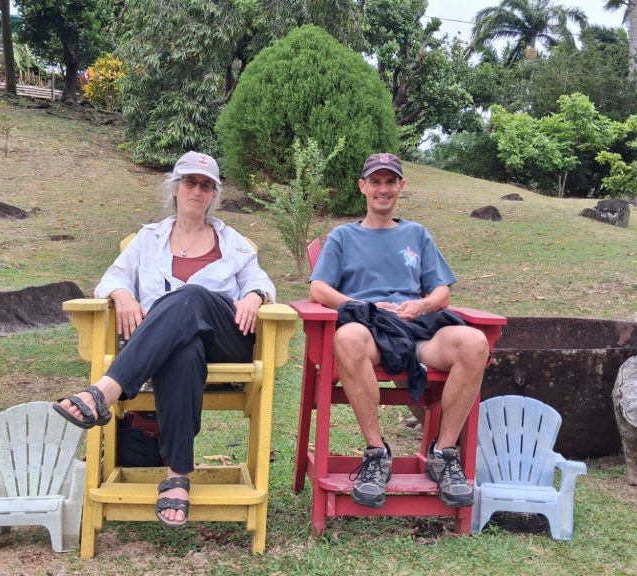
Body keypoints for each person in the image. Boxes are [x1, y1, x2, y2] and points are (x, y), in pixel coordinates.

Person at [52, 151, 275, 528]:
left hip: (226, 340)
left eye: (206, 185)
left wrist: (255, 296)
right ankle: (177, 476)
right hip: (169, 348)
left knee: (191, 295)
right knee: (183, 352)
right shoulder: (148, 238)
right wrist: (122, 295)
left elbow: (261, 280)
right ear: (175, 187)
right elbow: (113, 278)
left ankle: (104, 392)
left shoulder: (231, 240)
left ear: (214, 195)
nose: (197, 191)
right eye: (190, 182)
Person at [309, 152, 490, 509]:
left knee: (474, 342)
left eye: (390, 181)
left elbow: (442, 293)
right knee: (347, 336)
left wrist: (420, 306)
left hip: (417, 328)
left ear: (401, 186)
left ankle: (443, 454)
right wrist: (363, 307)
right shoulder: (343, 236)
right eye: (375, 181)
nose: (383, 188)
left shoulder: (416, 234)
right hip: (371, 328)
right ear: (362, 187)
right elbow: (319, 289)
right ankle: (377, 453)